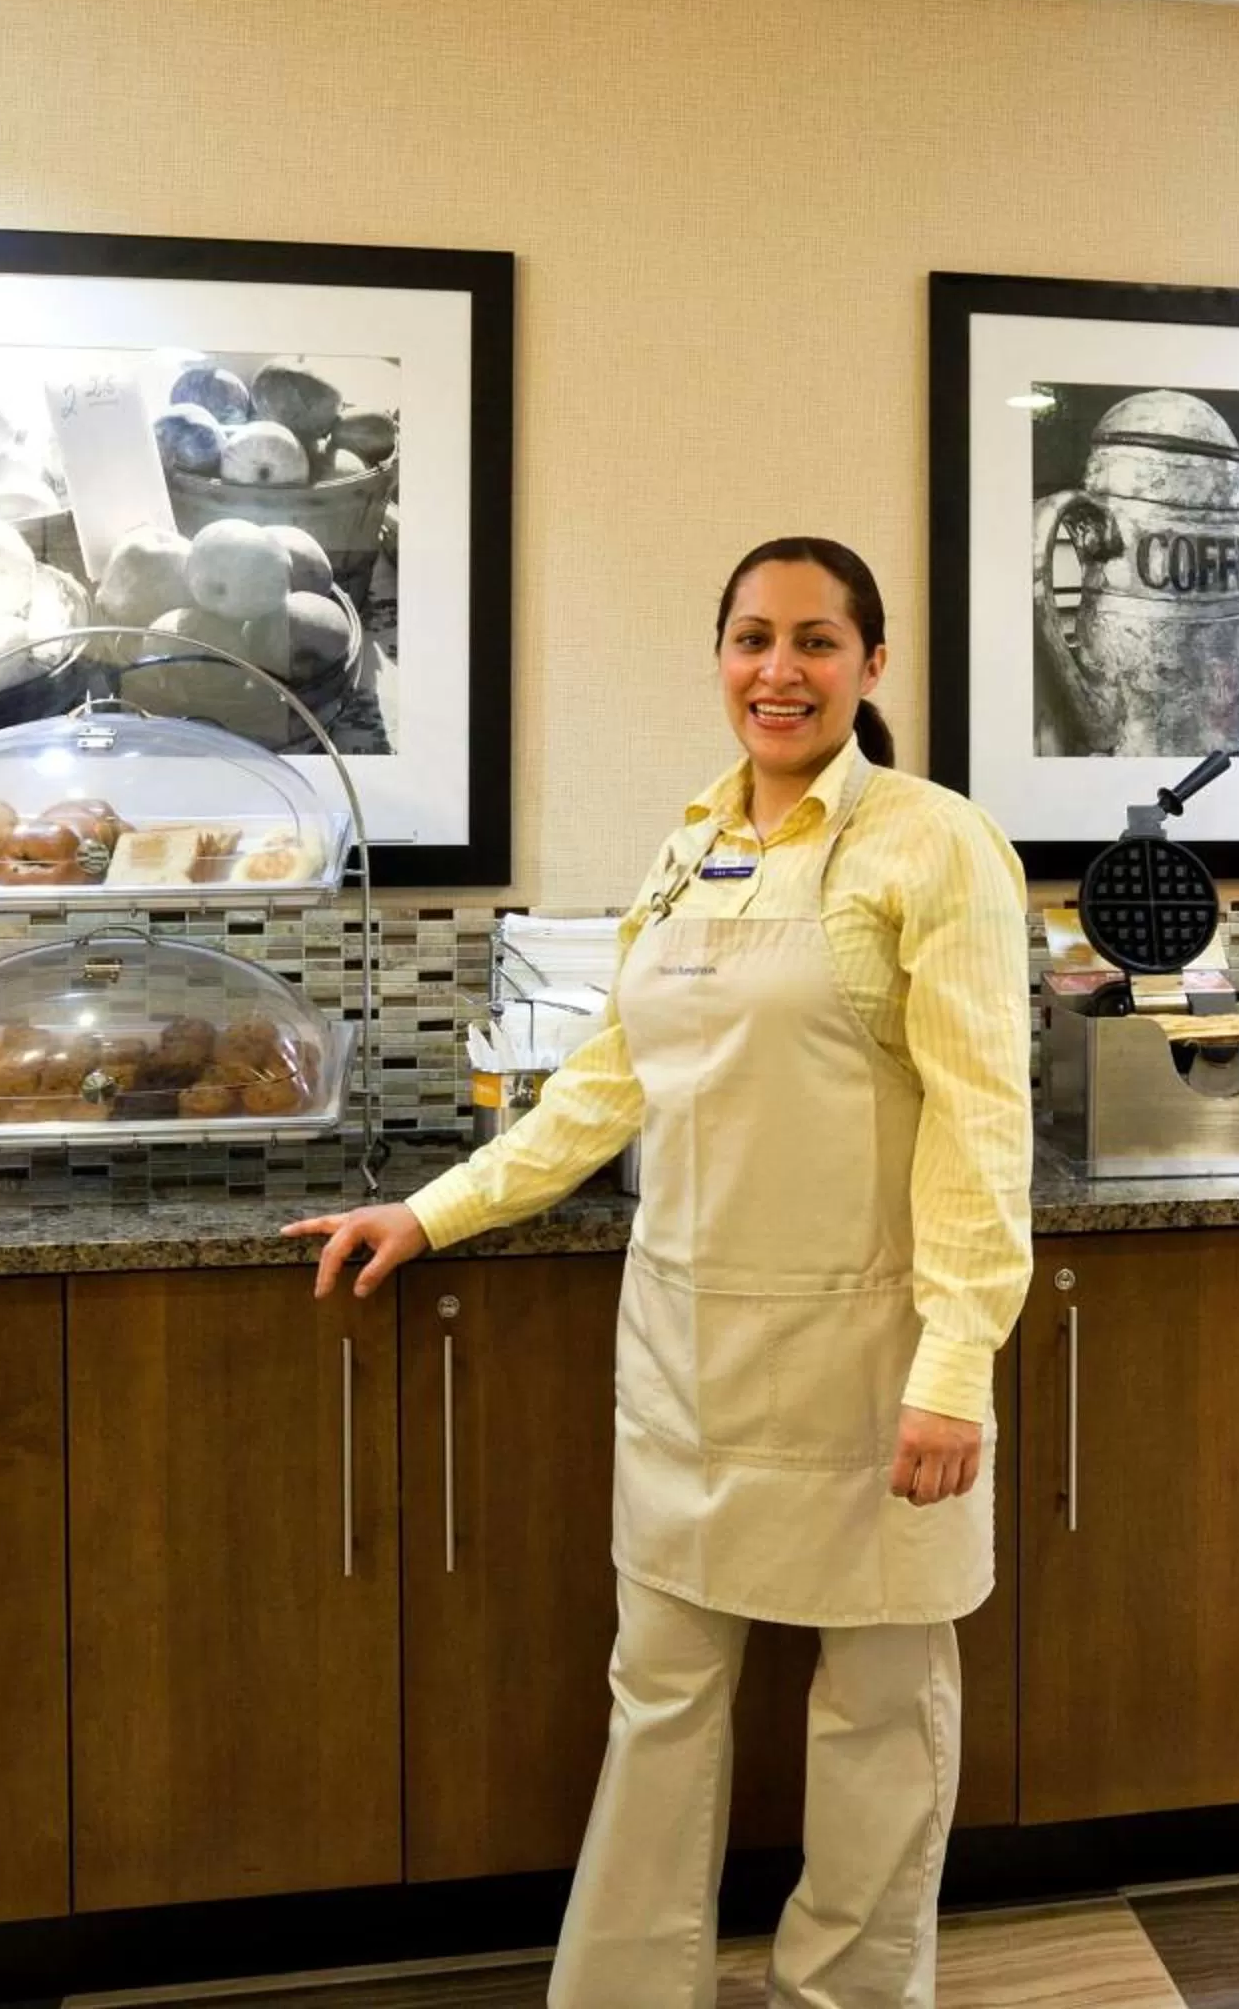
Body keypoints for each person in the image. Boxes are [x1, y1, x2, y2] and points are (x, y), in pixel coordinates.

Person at [286, 536, 1034, 2008]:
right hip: (688, 1350)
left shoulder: (932, 843)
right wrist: (433, 1212)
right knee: (661, 1698)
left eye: (818, 642)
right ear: (719, 657)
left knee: (877, 1708)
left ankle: (850, 1998)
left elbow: (979, 1121)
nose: (780, 670)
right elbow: (604, 1084)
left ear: (872, 667)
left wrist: (956, 1368)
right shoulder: (694, 842)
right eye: (752, 637)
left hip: (873, 1356)